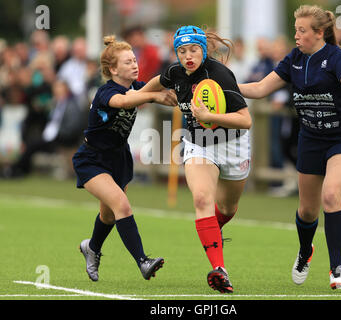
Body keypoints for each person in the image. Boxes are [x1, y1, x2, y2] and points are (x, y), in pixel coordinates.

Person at [239, 5, 341, 289]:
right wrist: (225, 86)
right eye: (295, 30)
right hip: (310, 139)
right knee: (307, 211)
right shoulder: (294, 58)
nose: (296, 35)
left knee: (331, 196)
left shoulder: (334, 57)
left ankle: (337, 270)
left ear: (319, 33)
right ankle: (305, 251)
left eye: (302, 31)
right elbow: (260, 89)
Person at [141, 26, 252, 293]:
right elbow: (157, 82)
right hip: (199, 145)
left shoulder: (221, 75)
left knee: (226, 209)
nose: (188, 55)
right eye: (182, 50)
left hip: (233, 145)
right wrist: (142, 97)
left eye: (193, 49)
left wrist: (212, 117)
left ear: (204, 49)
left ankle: (211, 232)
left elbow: (245, 120)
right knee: (202, 199)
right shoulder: (175, 72)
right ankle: (220, 270)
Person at [72, 35, 177, 282]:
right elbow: (123, 101)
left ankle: (92, 248)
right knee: (122, 206)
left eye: (134, 60)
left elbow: (153, 84)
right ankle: (143, 261)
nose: (134, 64)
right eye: (128, 62)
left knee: (108, 215)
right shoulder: (107, 91)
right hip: (92, 160)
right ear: (113, 69)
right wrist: (154, 96)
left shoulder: (136, 87)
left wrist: (175, 78)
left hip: (119, 160)